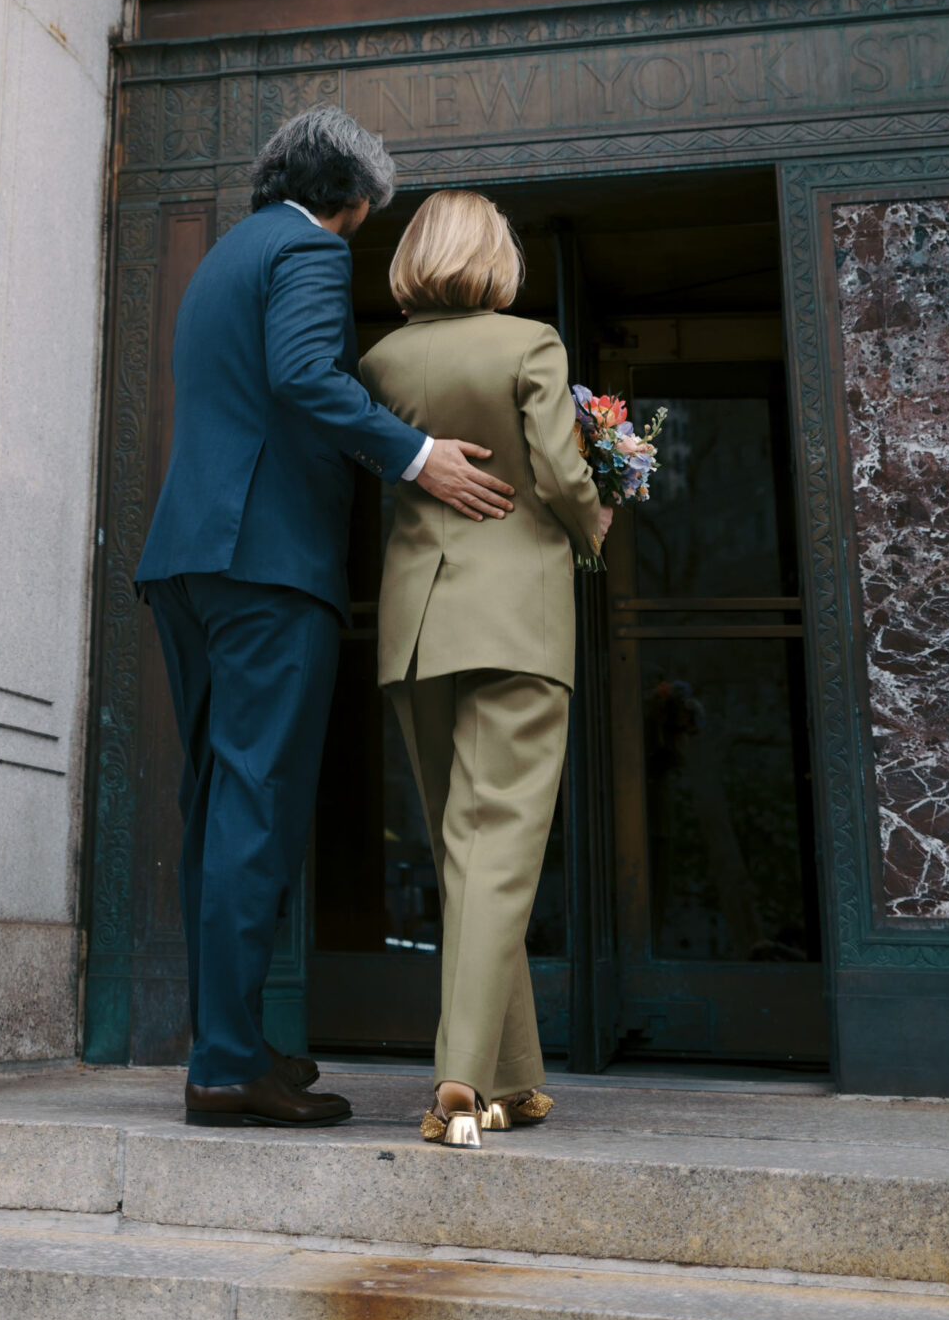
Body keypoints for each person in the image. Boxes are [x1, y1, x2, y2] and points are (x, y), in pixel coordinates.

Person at [136, 109, 515, 1129]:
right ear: (347, 200)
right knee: (255, 807)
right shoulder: (306, 246)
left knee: (220, 804)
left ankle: (235, 1040)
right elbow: (304, 376)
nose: (354, 236)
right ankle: (223, 1064)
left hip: (190, 559)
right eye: (363, 221)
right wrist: (415, 453)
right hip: (265, 563)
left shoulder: (225, 255)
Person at [360, 188, 607, 1148]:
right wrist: (595, 522)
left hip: (416, 630)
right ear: (493, 259)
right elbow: (554, 470)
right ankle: (458, 1081)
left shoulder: (379, 360)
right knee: (499, 851)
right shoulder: (528, 342)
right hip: (515, 622)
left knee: (466, 853)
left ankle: (515, 1079)